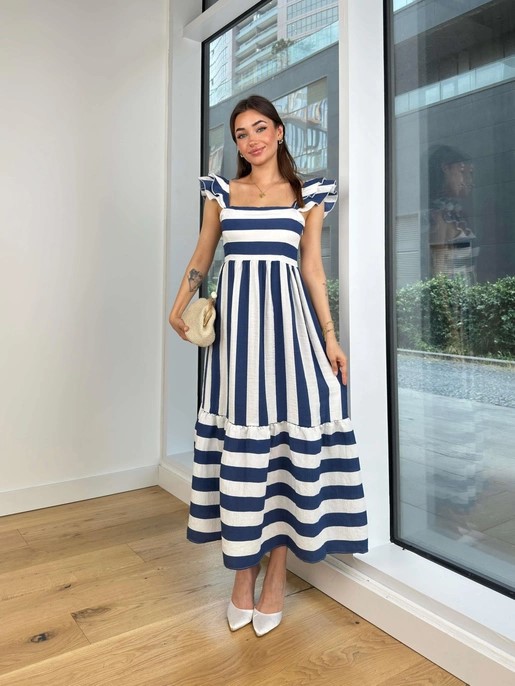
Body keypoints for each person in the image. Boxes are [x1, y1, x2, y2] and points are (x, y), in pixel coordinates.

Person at [169, 94, 367, 637]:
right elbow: (203, 255)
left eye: (260, 128)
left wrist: (331, 339)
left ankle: (276, 576)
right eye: (241, 133)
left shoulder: (308, 196)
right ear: (236, 144)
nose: (251, 139)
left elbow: (313, 271)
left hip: (291, 336)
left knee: (283, 452)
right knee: (243, 452)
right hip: (237, 344)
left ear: (279, 132)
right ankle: (243, 574)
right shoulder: (222, 192)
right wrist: (177, 306)